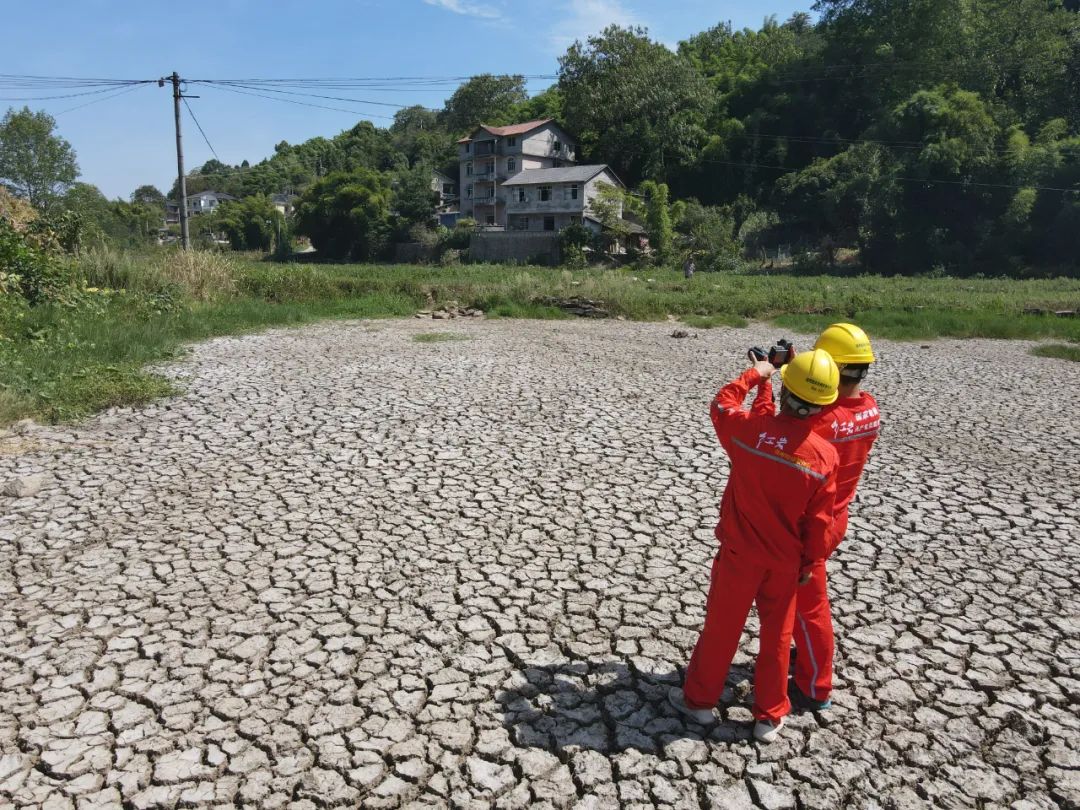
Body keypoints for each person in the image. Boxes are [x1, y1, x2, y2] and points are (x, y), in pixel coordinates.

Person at [668, 349, 840, 743]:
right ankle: (769, 715)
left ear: (785, 392)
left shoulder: (747, 433)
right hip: (785, 565)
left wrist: (757, 374)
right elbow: (819, 523)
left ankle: (699, 702)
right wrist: (810, 564)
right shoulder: (825, 457)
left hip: (738, 557)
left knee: (721, 629)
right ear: (823, 405)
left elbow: (723, 404)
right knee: (777, 638)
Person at [789, 323, 880, 711]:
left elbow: (789, 422)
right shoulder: (870, 409)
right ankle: (804, 655)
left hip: (809, 524)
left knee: (810, 606)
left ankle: (815, 686)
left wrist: (797, 380)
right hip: (837, 515)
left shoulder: (821, 420)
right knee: (802, 602)